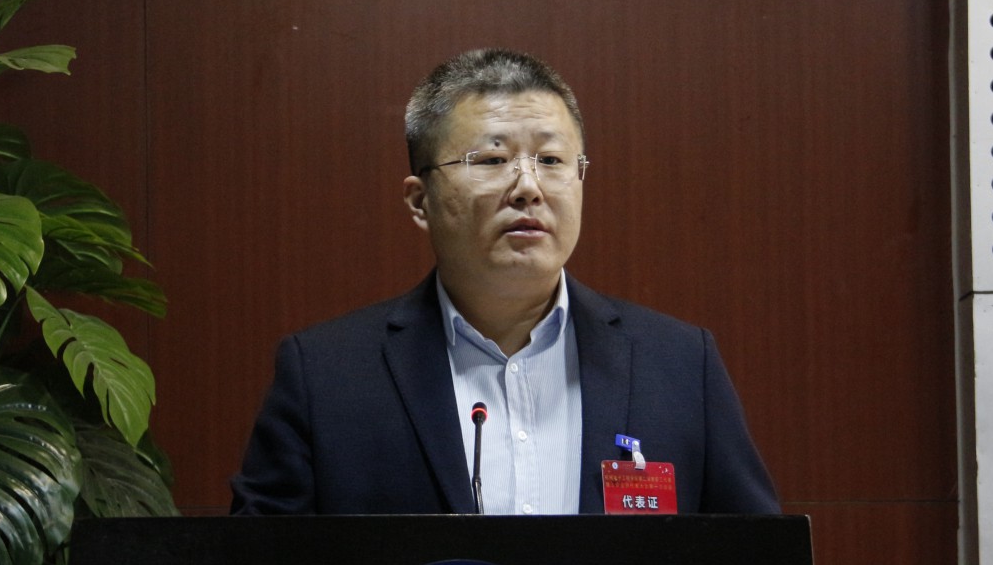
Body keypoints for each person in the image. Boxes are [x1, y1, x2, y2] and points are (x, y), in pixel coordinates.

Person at [231, 48, 779, 516]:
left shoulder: (679, 366)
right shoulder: (326, 376)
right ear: (420, 201)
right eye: (493, 159)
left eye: (551, 159)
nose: (528, 187)